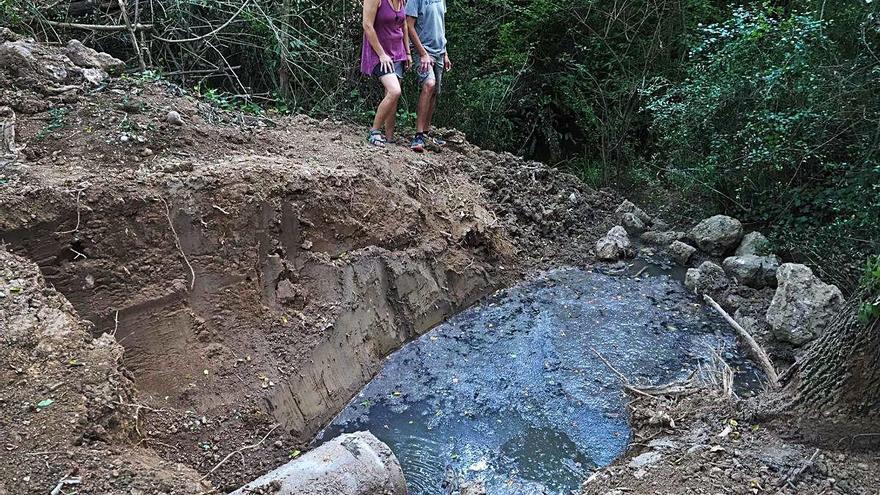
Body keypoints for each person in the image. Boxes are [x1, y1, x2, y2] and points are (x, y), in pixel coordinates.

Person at [362, 0, 411, 147]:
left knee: (392, 97)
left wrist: (407, 52)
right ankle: (374, 131)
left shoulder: (402, 0)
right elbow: (367, 25)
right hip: (379, 53)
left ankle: (389, 137)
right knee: (394, 91)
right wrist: (382, 54)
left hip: (397, 51)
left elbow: (404, 25)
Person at [406, 0, 451, 152]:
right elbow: (409, 26)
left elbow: (441, 25)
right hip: (423, 50)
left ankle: (426, 133)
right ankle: (418, 135)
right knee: (429, 84)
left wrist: (445, 53)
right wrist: (422, 54)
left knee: (435, 91)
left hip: (439, 50)